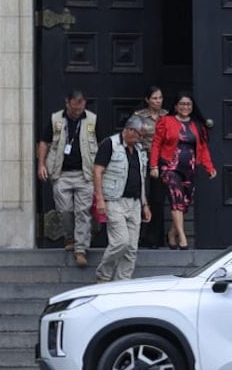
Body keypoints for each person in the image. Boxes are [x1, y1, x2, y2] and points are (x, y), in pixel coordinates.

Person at [37, 89, 99, 268]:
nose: (77, 112)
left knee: (83, 212)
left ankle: (81, 249)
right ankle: (69, 237)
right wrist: (41, 164)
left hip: (85, 174)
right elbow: (44, 142)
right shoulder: (55, 119)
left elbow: (102, 144)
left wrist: (100, 172)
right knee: (64, 210)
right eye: (74, 108)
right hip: (61, 173)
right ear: (67, 103)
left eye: (80, 108)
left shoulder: (92, 120)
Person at [149, 91, 216, 250]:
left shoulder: (197, 125)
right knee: (176, 200)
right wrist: (154, 166)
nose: (185, 107)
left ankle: (172, 233)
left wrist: (209, 167)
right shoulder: (166, 121)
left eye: (188, 104)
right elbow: (156, 144)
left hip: (189, 169)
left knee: (184, 204)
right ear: (176, 106)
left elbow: (203, 149)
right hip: (170, 167)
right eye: (182, 104)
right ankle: (182, 237)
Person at [92, 116, 151, 283]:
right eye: (139, 134)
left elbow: (141, 177)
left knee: (131, 247)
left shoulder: (139, 149)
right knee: (121, 241)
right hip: (114, 200)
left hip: (135, 202)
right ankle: (103, 274)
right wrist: (100, 199)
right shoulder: (109, 144)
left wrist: (145, 204)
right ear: (130, 130)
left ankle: (122, 281)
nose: (140, 138)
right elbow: (97, 171)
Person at [132, 86, 168, 248]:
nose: (158, 101)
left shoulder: (167, 116)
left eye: (160, 98)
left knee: (157, 199)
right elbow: (132, 136)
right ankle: (140, 235)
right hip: (142, 159)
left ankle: (156, 238)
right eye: (154, 98)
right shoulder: (139, 116)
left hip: (161, 161)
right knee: (142, 196)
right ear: (147, 100)